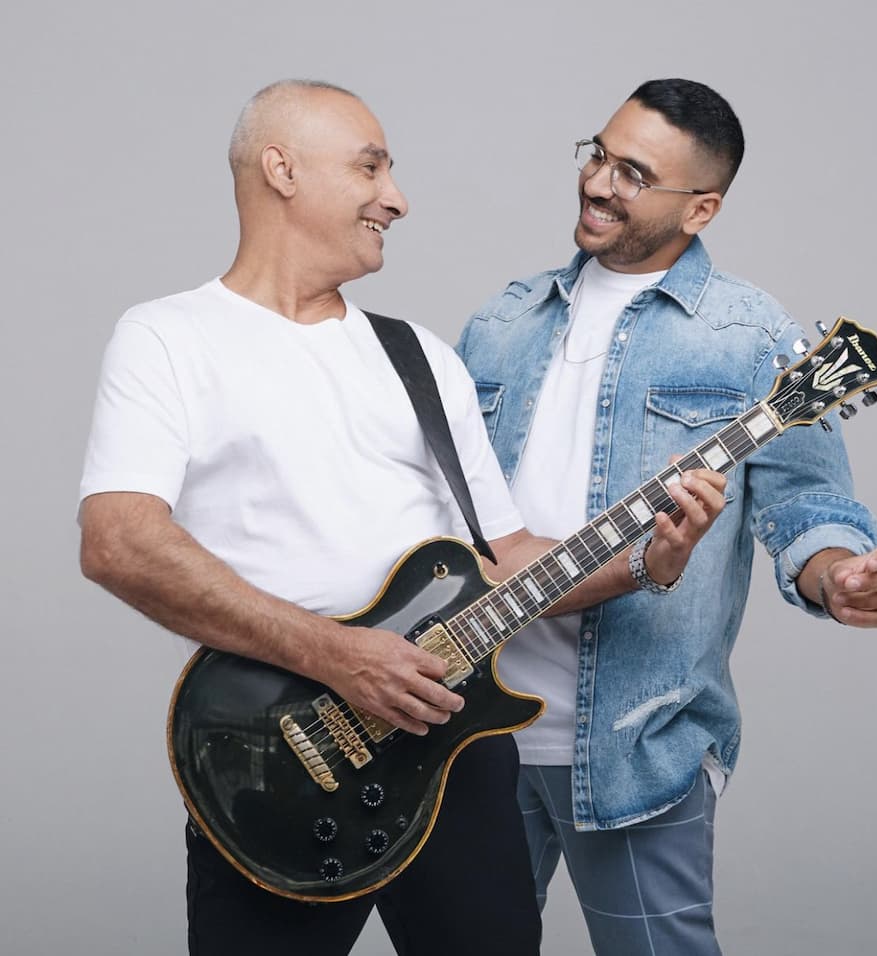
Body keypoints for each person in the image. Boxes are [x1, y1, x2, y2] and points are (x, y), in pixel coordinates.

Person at [77, 80, 727, 956]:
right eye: (370, 168)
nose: (397, 198)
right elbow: (119, 542)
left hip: (450, 747)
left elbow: (502, 561)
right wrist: (335, 656)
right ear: (282, 170)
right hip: (279, 758)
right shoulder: (168, 337)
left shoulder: (416, 355)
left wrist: (648, 561)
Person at [457, 78, 877, 956]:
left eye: (633, 174)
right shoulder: (501, 321)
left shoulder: (750, 336)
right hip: (465, 736)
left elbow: (806, 503)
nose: (598, 183)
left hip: (636, 743)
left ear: (701, 207)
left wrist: (839, 574)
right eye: (599, 154)